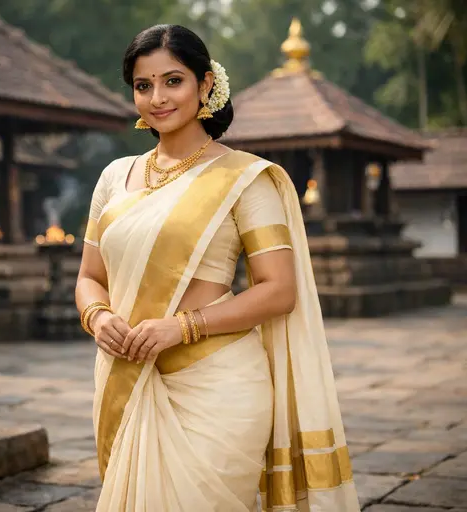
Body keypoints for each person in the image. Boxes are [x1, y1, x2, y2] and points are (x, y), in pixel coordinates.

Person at [75, 24, 360, 511]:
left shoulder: (245, 178)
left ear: (206, 84)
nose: (157, 98)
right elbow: (89, 276)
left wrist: (180, 327)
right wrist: (98, 317)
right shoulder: (114, 177)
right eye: (143, 85)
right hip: (128, 373)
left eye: (173, 81)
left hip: (216, 386)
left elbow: (278, 290)